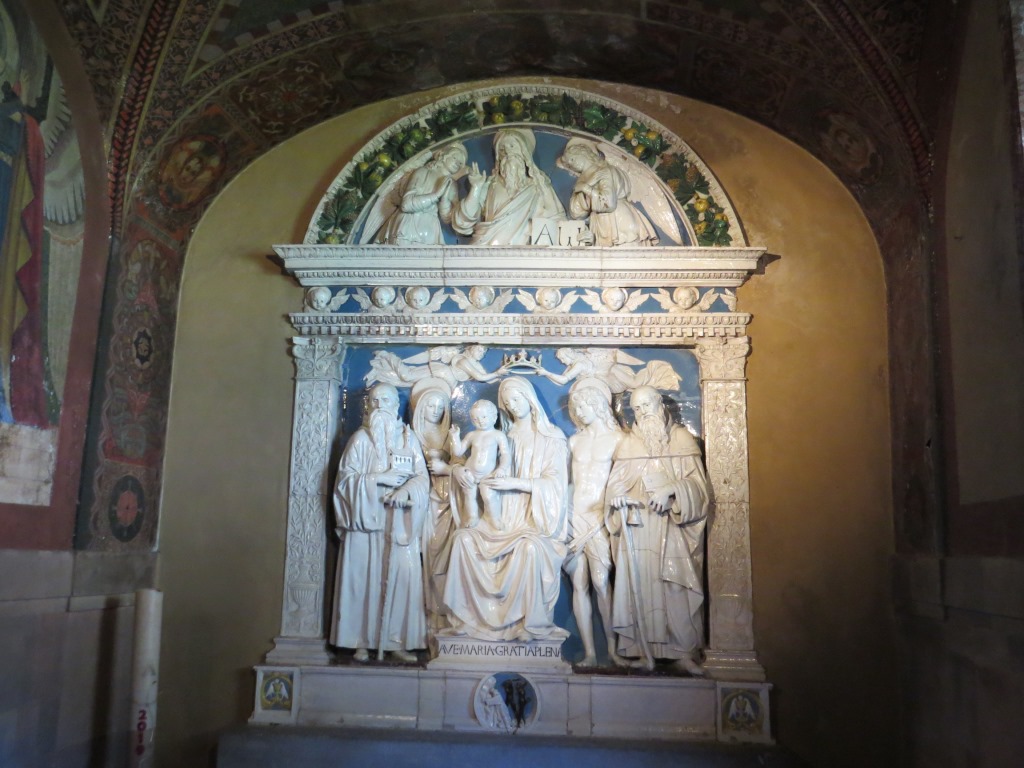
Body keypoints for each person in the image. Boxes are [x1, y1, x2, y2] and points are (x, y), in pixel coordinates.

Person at [441, 377, 569, 641]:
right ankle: (466, 620)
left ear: (529, 399)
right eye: (507, 402)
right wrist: (458, 471)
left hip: (530, 518)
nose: (513, 405)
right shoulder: (500, 435)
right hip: (495, 515)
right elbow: (467, 462)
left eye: (517, 399)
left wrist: (516, 483)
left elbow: (556, 485)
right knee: (463, 540)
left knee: (529, 548)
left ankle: (529, 624)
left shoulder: (551, 437)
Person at [605, 386, 709, 674]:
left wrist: (672, 491)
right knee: (640, 586)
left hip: (672, 526)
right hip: (638, 527)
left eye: (646, 405)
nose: (643, 412)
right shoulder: (628, 445)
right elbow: (614, 487)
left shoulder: (681, 439)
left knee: (675, 585)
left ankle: (683, 651)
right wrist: (617, 500)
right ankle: (642, 650)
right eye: (637, 408)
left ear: (660, 403)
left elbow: (699, 489)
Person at [330, 383, 430, 662]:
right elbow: (345, 481)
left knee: (402, 579)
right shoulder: (360, 440)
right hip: (365, 524)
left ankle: (396, 640)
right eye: (374, 400)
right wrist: (378, 480)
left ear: (396, 405)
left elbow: (422, 478)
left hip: (399, 523)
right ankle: (361, 640)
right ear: (367, 405)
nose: (379, 405)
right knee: (364, 581)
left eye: (385, 400)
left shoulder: (408, 439)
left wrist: (405, 492)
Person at [565, 379, 627, 667]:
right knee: (579, 583)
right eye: (576, 407)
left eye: (583, 406)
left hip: (600, 517)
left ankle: (613, 650)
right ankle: (590, 652)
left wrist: (609, 512)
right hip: (574, 515)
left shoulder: (618, 439)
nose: (579, 411)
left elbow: (624, 480)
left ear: (598, 405)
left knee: (602, 582)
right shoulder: (574, 441)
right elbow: (567, 481)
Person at [451, 128, 565, 245]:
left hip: (528, 252)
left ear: (524, 152)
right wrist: (476, 189)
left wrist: (530, 228)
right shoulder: (489, 185)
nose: (507, 152)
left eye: (512, 146)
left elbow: (558, 220)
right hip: (486, 248)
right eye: (502, 149)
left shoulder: (539, 185)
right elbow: (463, 223)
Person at [408, 378, 455, 633]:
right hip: (420, 504)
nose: (435, 411)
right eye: (431, 406)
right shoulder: (410, 435)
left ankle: (442, 614)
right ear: (421, 407)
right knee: (421, 558)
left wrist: (446, 466)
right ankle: (421, 621)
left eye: (440, 407)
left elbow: (462, 466)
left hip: (446, 503)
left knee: (442, 560)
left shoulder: (450, 435)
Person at [557, 138, 658, 247]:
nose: (571, 164)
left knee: (627, 253)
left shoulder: (605, 170)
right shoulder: (581, 181)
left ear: (583, 153)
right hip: (599, 225)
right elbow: (576, 212)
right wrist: (584, 189)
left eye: (572, 159)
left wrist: (586, 188)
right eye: (569, 164)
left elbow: (608, 203)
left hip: (619, 220)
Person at [375, 143, 468, 245]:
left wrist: (444, 199)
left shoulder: (452, 185)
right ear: (444, 155)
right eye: (455, 158)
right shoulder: (423, 172)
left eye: (460, 163)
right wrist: (436, 195)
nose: (457, 163)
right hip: (409, 225)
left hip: (431, 230)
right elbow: (406, 205)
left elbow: (448, 217)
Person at [449, 399, 511, 529]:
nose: (480, 421)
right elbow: (458, 451)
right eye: (475, 419)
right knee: (469, 495)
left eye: (484, 417)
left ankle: (495, 519)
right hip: (470, 472)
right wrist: (455, 437)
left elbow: (505, 454)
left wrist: (502, 469)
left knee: (488, 496)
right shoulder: (471, 435)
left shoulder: (498, 435)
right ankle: (472, 516)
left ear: (494, 417)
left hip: (488, 474)